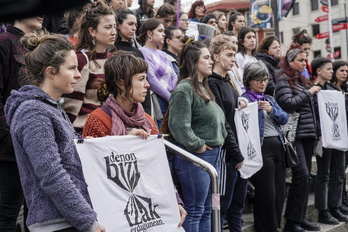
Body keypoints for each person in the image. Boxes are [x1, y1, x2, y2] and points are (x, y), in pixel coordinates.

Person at [4, 30, 105, 232]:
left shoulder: (48, 107)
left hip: (67, 218)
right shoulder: (33, 111)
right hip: (56, 222)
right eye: (71, 68)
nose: (78, 74)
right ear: (51, 72)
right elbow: (51, 174)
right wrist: (87, 220)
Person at [82, 51, 187, 226]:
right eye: (141, 79)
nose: (147, 85)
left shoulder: (147, 121)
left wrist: (175, 200)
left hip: (149, 210)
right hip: (116, 212)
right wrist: (124, 142)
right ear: (122, 83)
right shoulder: (97, 120)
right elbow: (93, 174)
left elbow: (158, 169)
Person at [168, 41, 227, 232]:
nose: (211, 61)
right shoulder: (184, 89)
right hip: (195, 158)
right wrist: (198, 145)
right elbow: (178, 126)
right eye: (207, 57)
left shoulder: (203, 86)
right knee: (195, 210)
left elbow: (217, 117)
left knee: (206, 210)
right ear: (194, 61)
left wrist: (222, 136)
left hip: (211, 156)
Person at [0, 15, 43, 231]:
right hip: (8, 148)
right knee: (7, 213)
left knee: (35, 212)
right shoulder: (4, 42)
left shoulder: (39, 46)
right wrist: (9, 134)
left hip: (35, 143)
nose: (41, 11)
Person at [275, 45, 321, 232]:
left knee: (306, 178)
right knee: (301, 176)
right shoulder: (283, 78)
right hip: (294, 136)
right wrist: (308, 93)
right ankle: (292, 222)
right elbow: (287, 104)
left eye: (305, 60)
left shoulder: (302, 79)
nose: (304, 63)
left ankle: (300, 218)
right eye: (300, 60)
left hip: (307, 134)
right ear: (290, 61)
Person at [242, 61, 288, 232]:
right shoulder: (244, 99)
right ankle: (265, 227)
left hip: (278, 148)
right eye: (258, 80)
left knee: (279, 193)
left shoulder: (268, 98)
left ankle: (275, 225)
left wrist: (271, 110)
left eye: (265, 79)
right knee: (266, 193)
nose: (263, 83)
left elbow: (284, 118)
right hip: (261, 149)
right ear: (249, 80)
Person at [208, 34, 246, 232]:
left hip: (238, 149)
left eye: (235, 55)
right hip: (226, 153)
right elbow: (222, 121)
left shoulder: (230, 81)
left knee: (237, 206)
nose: (233, 59)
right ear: (215, 56)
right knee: (222, 207)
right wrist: (236, 151)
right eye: (229, 54)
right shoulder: (212, 82)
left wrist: (243, 101)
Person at [62, 0, 116, 132]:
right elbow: (70, 105)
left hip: (108, 129)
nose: (114, 32)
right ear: (92, 31)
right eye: (108, 27)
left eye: (114, 26)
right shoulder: (80, 59)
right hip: (83, 130)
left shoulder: (113, 60)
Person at [311, 58, 348, 224]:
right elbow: (312, 114)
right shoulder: (312, 89)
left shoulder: (333, 89)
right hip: (323, 137)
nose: (331, 71)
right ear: (318, 71)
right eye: (328, 69)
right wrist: (319, 131)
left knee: (339, 173)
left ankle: (336, 206)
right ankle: (323, 211)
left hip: (337, 135)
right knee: (324, 175)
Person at [139, 19, 178, 129]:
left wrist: (173, 94)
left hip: (170, 98)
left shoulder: (164, 54)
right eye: (160, 31)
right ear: (150, 33)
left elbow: (174, 75)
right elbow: (151, 79)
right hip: (158, 100)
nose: (164, 34)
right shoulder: (143, 52)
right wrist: (169, 97)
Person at [115, 9, 151, 115]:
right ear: (118, 25)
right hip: (117, 108)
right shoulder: (112, 50)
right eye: (130, 24)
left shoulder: (137, 52)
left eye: (135, 25)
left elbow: (145, 81)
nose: (134, 28)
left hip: (138, 109)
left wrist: (147, 112)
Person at [331, 61, 348, 213]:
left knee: (343, 171)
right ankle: (338, 202)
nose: (344, 73)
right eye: (341, 70)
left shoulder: (346, 88)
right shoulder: (330, 89)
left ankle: (343, 199)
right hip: (337, 135)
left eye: (346, 71)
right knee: (338, 171)